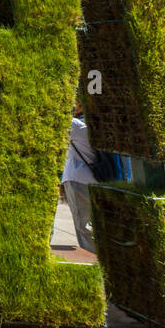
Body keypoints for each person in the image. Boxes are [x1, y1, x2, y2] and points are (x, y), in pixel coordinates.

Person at [62, 103, 100, 253]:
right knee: (94, 222)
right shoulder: (93, 125)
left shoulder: (77, 126)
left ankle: (94, 257)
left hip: (78, 178)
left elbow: (57, 122)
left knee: (83, 224)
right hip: (94, 178)